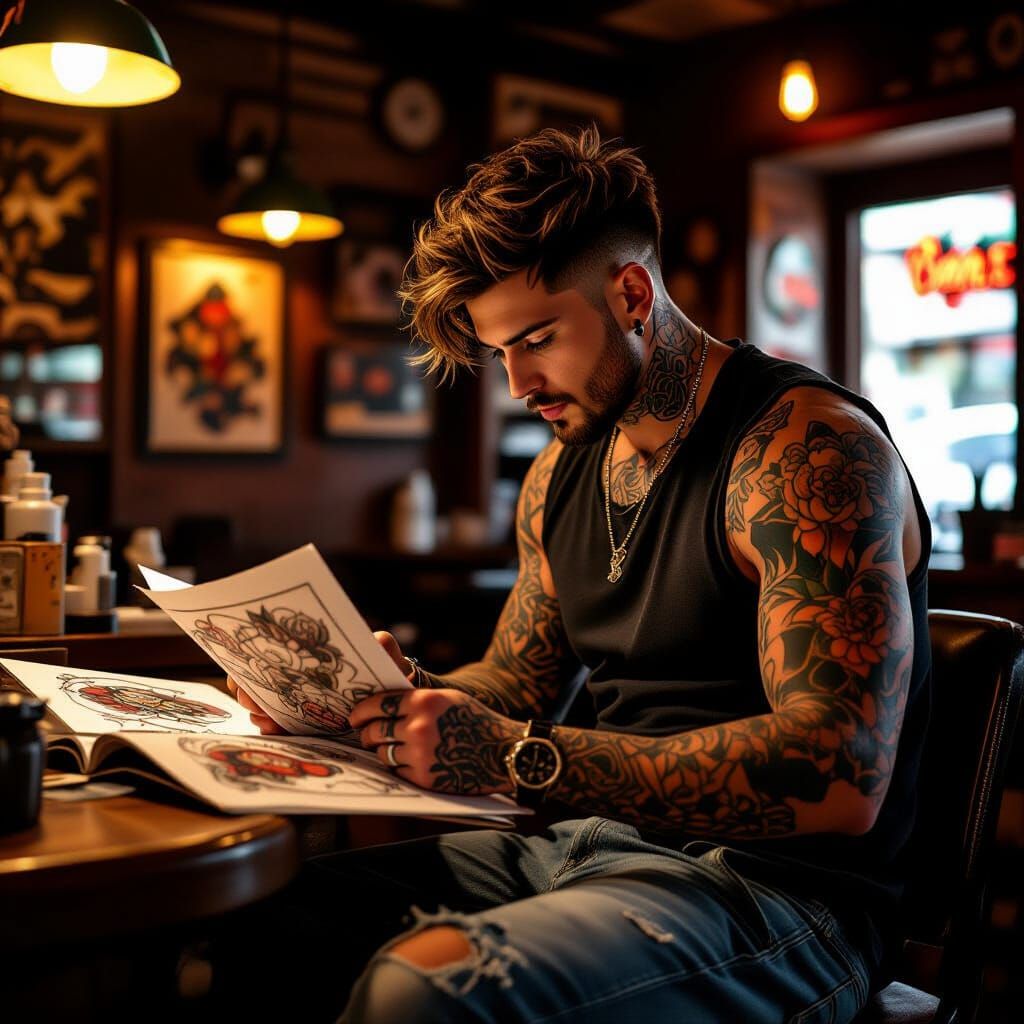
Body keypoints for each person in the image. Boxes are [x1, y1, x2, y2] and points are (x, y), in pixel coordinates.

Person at [228, 126, 931, 1023]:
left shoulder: (806, 452)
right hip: (594, 850)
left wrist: (522, 757)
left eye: (537, 339)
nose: (517, 383)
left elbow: (839, 774)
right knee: (263, 915)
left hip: (785, 902)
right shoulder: (560, 475)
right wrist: (381, 699)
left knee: (427, 989)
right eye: (499, 354)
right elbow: (516, 685)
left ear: (631, 292)